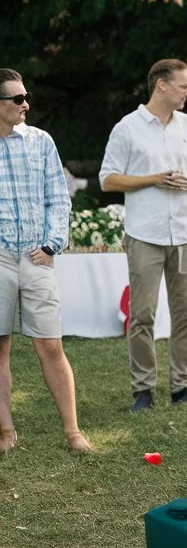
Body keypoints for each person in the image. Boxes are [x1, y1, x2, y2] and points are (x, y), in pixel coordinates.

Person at [99, 59, 187, 413]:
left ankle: (182, 387)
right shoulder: (127, 128)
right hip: (145, 233)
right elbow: (108, 179)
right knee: (142, 314)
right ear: (161, 85)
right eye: (184, 86)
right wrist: (153, 178)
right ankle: (143, 390)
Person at [0, 69, 92, 454]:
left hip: (37, 258)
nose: (26, 104)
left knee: (50, 346)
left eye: (26, 97)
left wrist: (53, 245)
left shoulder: (40, 141)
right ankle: (6, 433)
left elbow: (59, 196)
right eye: (17, 99)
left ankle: (73, 433)